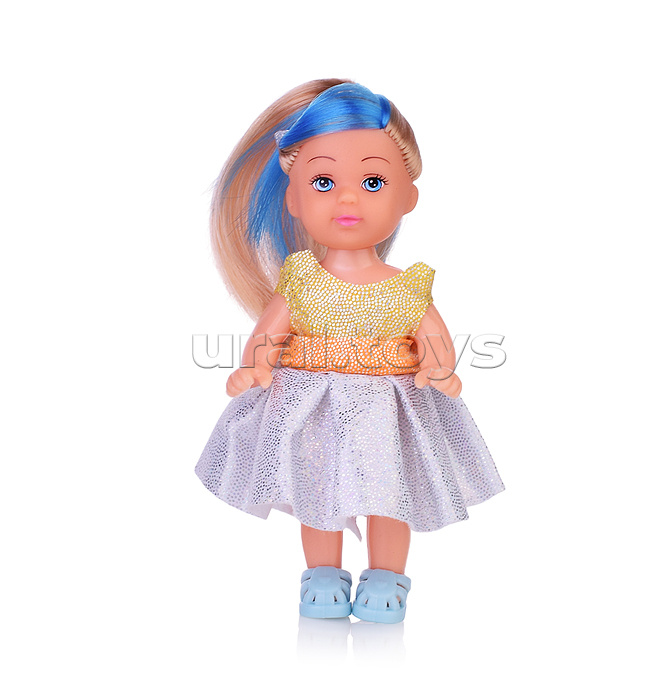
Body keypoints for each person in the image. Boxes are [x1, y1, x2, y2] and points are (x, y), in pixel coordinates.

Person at [196, 79, 505, 623]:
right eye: (323, 181)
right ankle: (322, 571)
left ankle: (387, 575)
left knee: (391, 493)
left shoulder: (407, 286)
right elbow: (269, 332)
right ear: (293, 198)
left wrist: (441, 368)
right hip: (312, 402)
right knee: (318, 489)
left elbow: (433, 336)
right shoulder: (301, 278)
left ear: (408, 196)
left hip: (390, 406)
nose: (347, 198)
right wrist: (253, 366)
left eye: (372, 181)